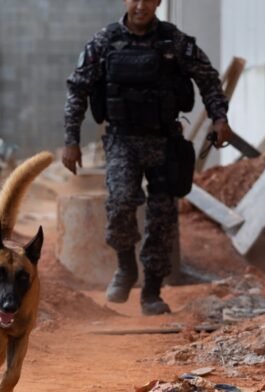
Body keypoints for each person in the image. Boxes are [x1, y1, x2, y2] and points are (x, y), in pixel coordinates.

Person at [62, 0, 232, 315]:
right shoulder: (105, 41)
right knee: (121, 202)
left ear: (158, 2)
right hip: (122, 140)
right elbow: (78, 89)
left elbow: (208, 79)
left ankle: (152, 290)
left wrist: (220, 118)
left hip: (165, 141)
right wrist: (71, 140)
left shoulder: (173, 41)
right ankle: (126, 267)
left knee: (162, 215)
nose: (141, 6)